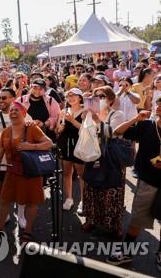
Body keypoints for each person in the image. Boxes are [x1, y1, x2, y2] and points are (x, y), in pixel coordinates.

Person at [107, 97, 161, 269]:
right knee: (137, 219)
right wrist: (136, 119)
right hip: (147, 181)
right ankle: (126, 253)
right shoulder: (146, 125)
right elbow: (117, 132)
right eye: (158, 104)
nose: (159, 107)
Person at [0, 101, 53, 242]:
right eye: (11, 111)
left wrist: (30, 146)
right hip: (11, 171)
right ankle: (0, 227)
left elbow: (49, 143)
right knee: (4, 199)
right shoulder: (6, 131)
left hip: (30, 172)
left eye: (17, 111)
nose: (13, 113)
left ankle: (27, 231)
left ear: (24, 114)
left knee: (31, 202)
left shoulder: (31, 128)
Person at [81, 86, 126, 239]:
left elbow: (113, 133)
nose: (99, 99)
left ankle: (115, 226)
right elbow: (84, 133)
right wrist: (86, 117)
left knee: (111, 190)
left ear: (111, 99)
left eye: (102, 96)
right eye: (95, 96)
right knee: (92, 187)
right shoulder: (90, 114)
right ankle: (92, 219)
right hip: (93, 154)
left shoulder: (117, 114)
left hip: (110, 157)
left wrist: (96, 119)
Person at [0, 88, 26, 228]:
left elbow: (32, 131)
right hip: (0, 162)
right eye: (0, 98)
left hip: (20, 161)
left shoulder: (23, 114)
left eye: (5, 98)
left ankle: (21, 215)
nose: (1, 100)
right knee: (1, 190)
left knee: (21, 189)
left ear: (13, 99)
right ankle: (5, 215)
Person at [56, 88, 85, 213]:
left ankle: (83, 201)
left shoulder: (85, 112)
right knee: (66, 173)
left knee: (81, 175)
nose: (71, 98)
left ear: (80, 98)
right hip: (65, 144)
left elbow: (85, 129)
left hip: (79, 144)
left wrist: (72, 120)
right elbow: (58, 129)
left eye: (74, 95)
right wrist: (60, 127)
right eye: (69, 96)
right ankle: (69, 198)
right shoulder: (63, 111)